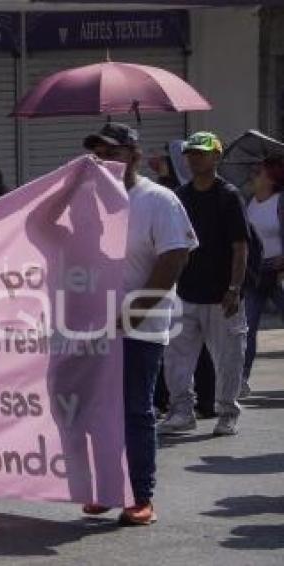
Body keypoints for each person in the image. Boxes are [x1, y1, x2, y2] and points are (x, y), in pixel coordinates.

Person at [81, 123, 197, 525]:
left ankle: (140, 496)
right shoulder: (90, 200)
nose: (104, 161)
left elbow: (174, 259)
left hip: (141, 327)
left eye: (112, 152)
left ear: (133, 154)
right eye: (97, 154)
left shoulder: (158, 200)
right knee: (99, 409)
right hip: (95, 326)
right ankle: (107, 490)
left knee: (134, 409)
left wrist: (133, 313)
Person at [159, 132, 250, 437]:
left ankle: (227, 412)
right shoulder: (180, 197)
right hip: (185, 292)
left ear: (216, 156)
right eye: (191, 153)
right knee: (176, 359)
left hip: (221, 296)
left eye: (201, 152)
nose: (194, 157)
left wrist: (235, 288)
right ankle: (181, 411)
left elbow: (240, 246)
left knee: (228, 359)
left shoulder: (229, 196)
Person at [242, 156, 284, 393]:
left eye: (258, 172)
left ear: (271, 178)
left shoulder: (280, 201)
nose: (253, 175)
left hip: (280, 272)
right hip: (257, 273)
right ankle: (242, 379)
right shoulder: (250, 203)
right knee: (248, 327)